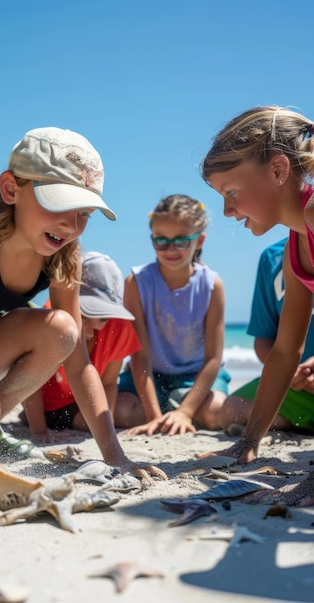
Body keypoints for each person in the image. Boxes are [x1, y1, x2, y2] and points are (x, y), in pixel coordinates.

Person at [0, 126, 164, 482]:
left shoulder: (63, 254)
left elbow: (79, 362)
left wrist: (117, 456)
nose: (71, 225)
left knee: (64, 330)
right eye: (60, 203)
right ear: (11, 189)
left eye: (85, 212)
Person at [201, 105, 314, 505]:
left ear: (279, 171)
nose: (228, 211)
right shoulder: (297, 245)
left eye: (231, 193)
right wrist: (249, 442)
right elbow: (285, 350)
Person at [117, 194, 231, 436]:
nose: (170, 249)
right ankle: (168, 408)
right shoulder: (137, 282)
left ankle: (180, 408)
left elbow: (213, 358)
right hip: (151, 376)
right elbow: (140, 355)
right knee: (122, 411)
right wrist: (153, 418)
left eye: (181, 241)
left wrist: (186, 412)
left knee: (216, 413)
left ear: (199, 240)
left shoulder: (212, 285)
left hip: (197, 376)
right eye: (161, 241)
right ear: (152, 240)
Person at [22, 251, 145, 443]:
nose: (88, 330)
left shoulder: (119, 328)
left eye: (102, 318)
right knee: (90, 421)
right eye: (84, 315)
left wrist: (107, 428)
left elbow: (109, 383)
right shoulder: (48, 320)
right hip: (45, 405)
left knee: (130, 409)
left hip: (84, 400)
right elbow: (28, 383)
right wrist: (39, 431)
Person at [220, 237, 314, 434]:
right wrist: (290, 372)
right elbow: (265, 339)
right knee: (231, 409)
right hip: (297, 385)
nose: (228, 211)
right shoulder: (274, 256)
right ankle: (291, 424)